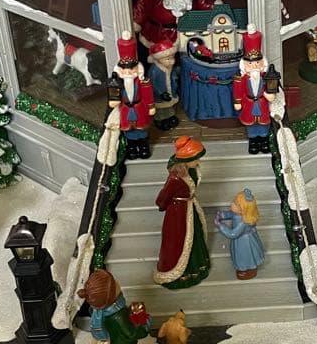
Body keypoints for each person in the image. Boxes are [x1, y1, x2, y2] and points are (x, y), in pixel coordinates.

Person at [154, 136, 211, 289]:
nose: (198, 162)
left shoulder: (191, 170)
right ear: (186, 160)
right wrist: (164, 205)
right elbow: (163, 197)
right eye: (195, 159)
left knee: (194, 235)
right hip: (178, 213)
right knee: (179, 240)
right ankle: (179, 272)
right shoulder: (175, 178)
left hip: (190, 207)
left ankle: (198, 266)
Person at [107, 32, 155, 159]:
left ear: (137, 69)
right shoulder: (117, 83)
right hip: (126, 109)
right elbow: (114, 96)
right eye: (124, 70)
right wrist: (114, 101)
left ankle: (144, 147)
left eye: (131, 70)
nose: (128, 73)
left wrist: (150, 106)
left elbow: (147, 94)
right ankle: (132, 148)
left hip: (139, 108)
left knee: (142, 129)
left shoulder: (142, 82)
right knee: (129, 131)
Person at [232, 26, 272, 155]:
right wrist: (238, 102)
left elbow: (272, 87)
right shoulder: (241, 79)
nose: (254, 66)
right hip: (248, 103)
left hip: (262, 103)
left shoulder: (267, 77)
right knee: (251, 124)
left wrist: (270, 94)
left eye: (257, 63)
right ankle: (253, 141)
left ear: (263, 63)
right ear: (244, 65)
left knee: (263, 123)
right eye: (250, 64)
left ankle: (264, 140)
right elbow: (238, 90)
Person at [214, 188, 266, 280]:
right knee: (242, 255)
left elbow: (232, 234)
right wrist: (222, 215)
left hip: (244, 243)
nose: (232, 204)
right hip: (240, 241)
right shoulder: (238, 214)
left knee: (245, 256)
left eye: (235, 204)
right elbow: (231, 214)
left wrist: (220, 226)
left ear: (242, 210)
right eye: (234, 201)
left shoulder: (243, 222)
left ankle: (248, 269)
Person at [147, 37, 180, 131]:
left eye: (172, 58)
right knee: (161, 109)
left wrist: (176, 81)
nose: (172, 61)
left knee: (169, 106)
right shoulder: (155, 71)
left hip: (170, 92)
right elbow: (153, 83)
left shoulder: (170, 68)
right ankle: (160, 120)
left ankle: (170, 117)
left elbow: (173, 76)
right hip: (160, 95)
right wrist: (161, 93)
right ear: (159, 59)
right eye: (168, 59)